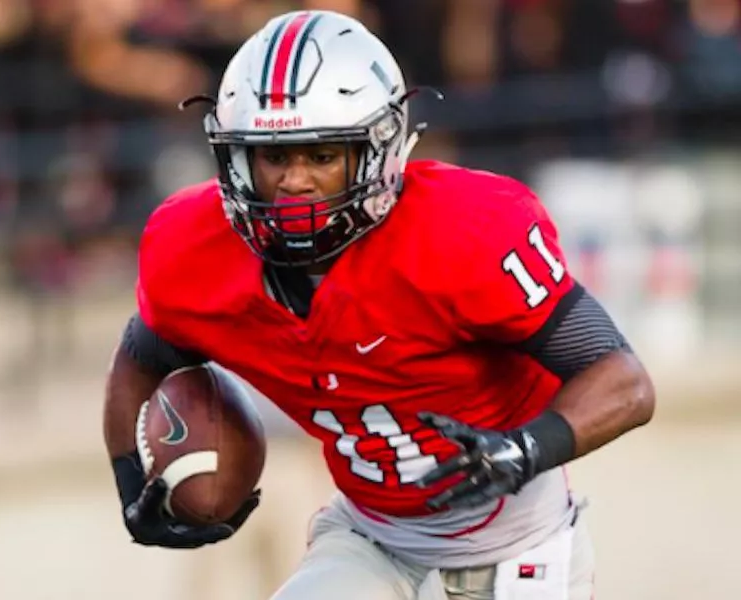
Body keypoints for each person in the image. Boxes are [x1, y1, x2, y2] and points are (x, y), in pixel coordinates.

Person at [103, 10, 655, 600]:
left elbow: (623, 381)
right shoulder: (196, 247)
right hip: (372, 540)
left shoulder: (462, 233)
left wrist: (523, 448)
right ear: (236, 158)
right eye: (273, 156)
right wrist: (131, 481)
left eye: (321, 156)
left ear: (377, 150)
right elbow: (141, 354)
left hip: (521, 544)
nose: (294, 182)